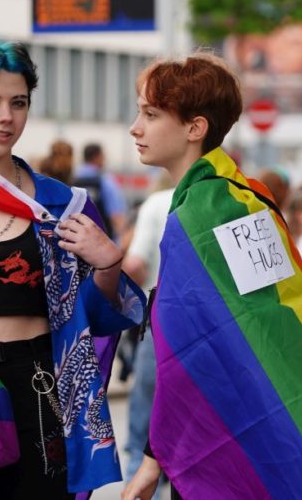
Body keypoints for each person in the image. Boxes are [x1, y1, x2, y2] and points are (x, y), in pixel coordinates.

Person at [123, 53, 302, 499]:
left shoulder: (199, 213)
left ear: (195, 128)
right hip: (270, 412)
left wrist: (152, 462)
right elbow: (275, 321)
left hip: (227, 424)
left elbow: (193, 350)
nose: (136, 127)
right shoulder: (244, 195)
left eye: (151, 115)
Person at [0, 38, 144, 498]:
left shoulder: (62, 204)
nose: (6, 116)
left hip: (38, 387)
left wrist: (106, 265)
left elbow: (98, 319)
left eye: (18, 103)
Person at [121, 174, 174, 500]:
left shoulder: (156, 204)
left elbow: (135, 264)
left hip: (158, 322)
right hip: (209, 330)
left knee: (145, 417)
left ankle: (140, 489)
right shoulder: (228, 201)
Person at [72, 142, 128, 240]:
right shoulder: (105, 181)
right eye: (103, 156)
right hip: (101, 240)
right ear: (96, 157)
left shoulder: (72, 178)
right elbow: (116, 215)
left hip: (74, 238)